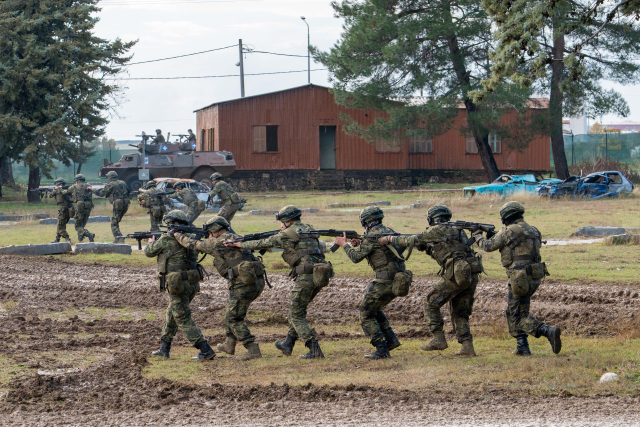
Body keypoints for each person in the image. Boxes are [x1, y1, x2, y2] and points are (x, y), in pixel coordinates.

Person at [225, 205, 332, 359]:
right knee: (297, 311)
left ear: (287, 220)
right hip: (319, 275)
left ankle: (314, 349)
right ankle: (288, 344)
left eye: (282, 221)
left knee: (296, 315)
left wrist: (239, 244)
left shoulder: (287, 234)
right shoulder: (309, 229)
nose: (281, 225)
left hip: (305, 277)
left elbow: (262, 243)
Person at [378, 205, 482, 357]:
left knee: (431, 302)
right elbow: (448, 249)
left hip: (455, 274)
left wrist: (389, 238)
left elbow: (411, 239)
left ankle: (438, 339)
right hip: (470, 274)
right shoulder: (458, 231)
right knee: (460, 311)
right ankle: (467, 347)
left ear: (432, 219)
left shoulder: (436, 230)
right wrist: (427, 248)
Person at [474, 201, 561, 355]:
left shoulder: (508, 231)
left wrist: (477, 236)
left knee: (516, 316)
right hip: (534, 276)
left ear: (506, 217)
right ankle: (522, 346)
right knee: (519, 312)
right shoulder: (533, 230)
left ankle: (547, 331)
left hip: (519, 279)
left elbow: (488, 246)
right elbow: (519, 245)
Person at [174, 216, 265, 361]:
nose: (209, 235)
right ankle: (229, 344)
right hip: (256, 281)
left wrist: (177, 235)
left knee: (234, 318)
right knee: (231, 312)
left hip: (243, 284)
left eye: (209, 232)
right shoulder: (235, 237)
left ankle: (252, 349)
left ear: (215, 230)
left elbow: (193, 244)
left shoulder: (217, 242)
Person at [333, 206, 408, 359]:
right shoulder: (388, 231)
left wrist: (344, 244)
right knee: (375, 308)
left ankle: (381, 349)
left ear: (365, 221)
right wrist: (361, 244)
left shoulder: (372, 236)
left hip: (385, 280)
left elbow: (355, 258)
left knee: (365, 313)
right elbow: (380, 250)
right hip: (397, 278)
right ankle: (391, 340)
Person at [145, 210, 215, 361]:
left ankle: (205, 349)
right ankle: (164, 348)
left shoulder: (167, 239)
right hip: (190, 283)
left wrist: (150, 242)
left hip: (177, 284)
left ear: (174, 224)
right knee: (172, 314)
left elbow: (149, 252)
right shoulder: (190, 238)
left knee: (182, 318)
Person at [95, 171, 130, 243]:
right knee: (116, 220)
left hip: (118, 204)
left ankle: (119, 238)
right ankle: (117, 239)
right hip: (126, 203)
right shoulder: (123, 182)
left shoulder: (111, 184)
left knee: (114, 223)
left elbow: (102, 193)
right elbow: (128, 191)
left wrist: (94, 190)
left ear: (110, 178)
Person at [64, 174, 95, 242]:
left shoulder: (74, 186)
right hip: (88, 206)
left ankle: (88, 234)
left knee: (77, 225)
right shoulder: (88, 185)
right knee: (82, 224)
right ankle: (80, 239)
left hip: (80, 206)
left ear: (77, 180)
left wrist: (59, 190)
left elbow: (66, 192)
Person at [48, 178, 74, 243]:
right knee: (60, 224)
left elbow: (50, 195)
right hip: (69, 209)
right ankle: (57, 239)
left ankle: (67, 239)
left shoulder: (57, 190)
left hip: (62, 209)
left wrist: (53, 190)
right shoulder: (68, 189)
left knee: (60, 226)